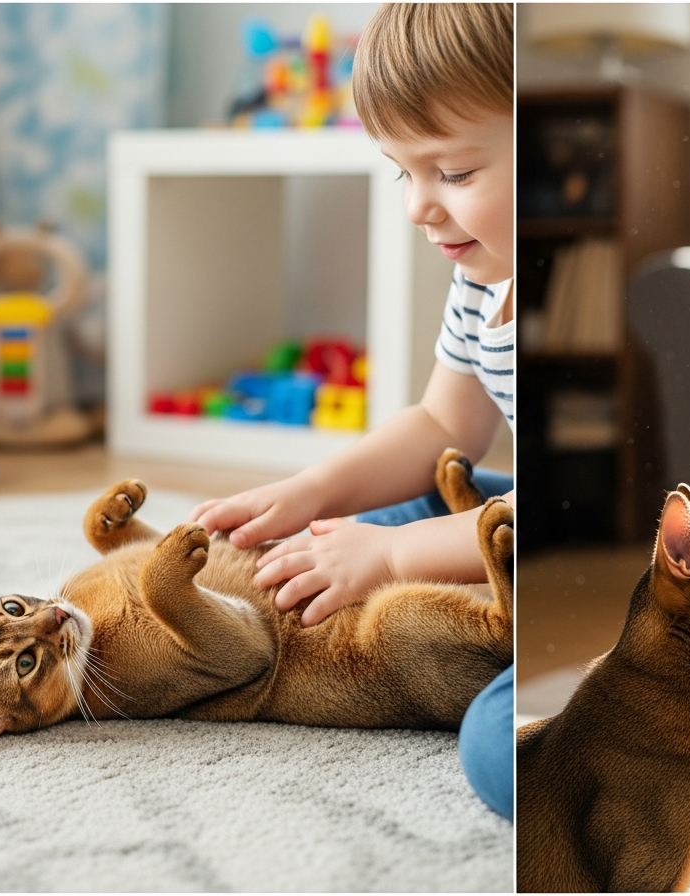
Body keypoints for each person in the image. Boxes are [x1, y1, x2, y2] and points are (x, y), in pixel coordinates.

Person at [189, 2, 514, 820]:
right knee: (358, 521)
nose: (418, 207)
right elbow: (446, 428)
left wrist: (398, 559)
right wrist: (312, 493)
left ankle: (498, 647)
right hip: (506, 516)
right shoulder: (483, 277)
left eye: (456, 174)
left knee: (499, 752)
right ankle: (443, 597)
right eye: (402, 172)